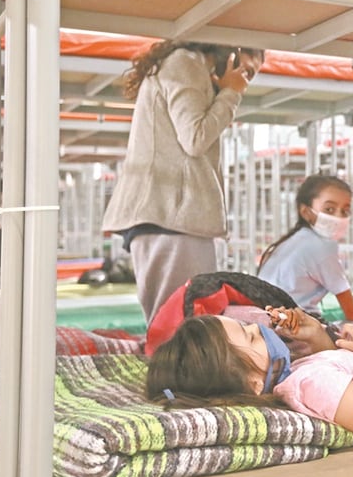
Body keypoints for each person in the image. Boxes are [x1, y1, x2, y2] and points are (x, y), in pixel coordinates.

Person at [101, 40, 264, 325]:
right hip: (171, 216)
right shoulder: (185, 62)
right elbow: (195, 138)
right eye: (246, 71)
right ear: (232, 56)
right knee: (179, 323)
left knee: (180, 321)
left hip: (170, 217)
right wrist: (231, 93)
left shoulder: (187, 66)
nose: (245, 81)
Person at [146, 309, 353, 447]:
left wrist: (316, 336)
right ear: (253, 384)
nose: (261, 328)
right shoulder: (311, 385)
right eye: (251, 337)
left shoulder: (295, 378)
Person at [256, 174, 353, 321]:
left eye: (344, 211)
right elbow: (352, 312)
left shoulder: (296, 239)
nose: (338, 217)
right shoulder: (322, 246)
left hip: (267, 317)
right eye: (329, 209)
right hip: (290, 324)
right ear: (306, 212)